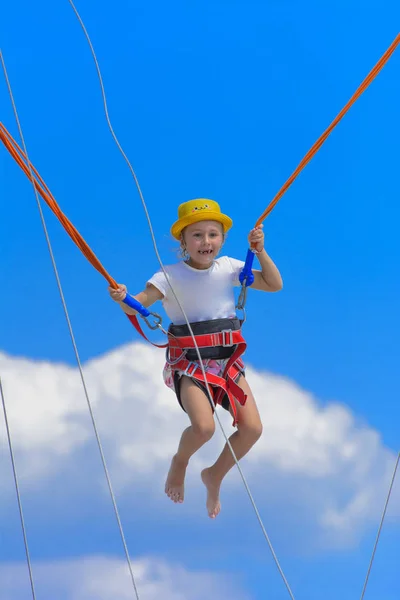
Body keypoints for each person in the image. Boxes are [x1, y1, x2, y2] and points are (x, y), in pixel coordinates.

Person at [108, 198, 283, 518]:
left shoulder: (230, 267)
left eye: (213, 234)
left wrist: (259, 251)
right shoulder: (169, 276)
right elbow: (139, 303)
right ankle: (180, 461)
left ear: (223, 239)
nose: (206, 242)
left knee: (253, 430)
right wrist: (124, 297)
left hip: (226, 363)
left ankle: (214, 474)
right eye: (197, 235)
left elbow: (274, 284)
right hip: (189, 364)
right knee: (203, 428)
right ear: (183, 242)